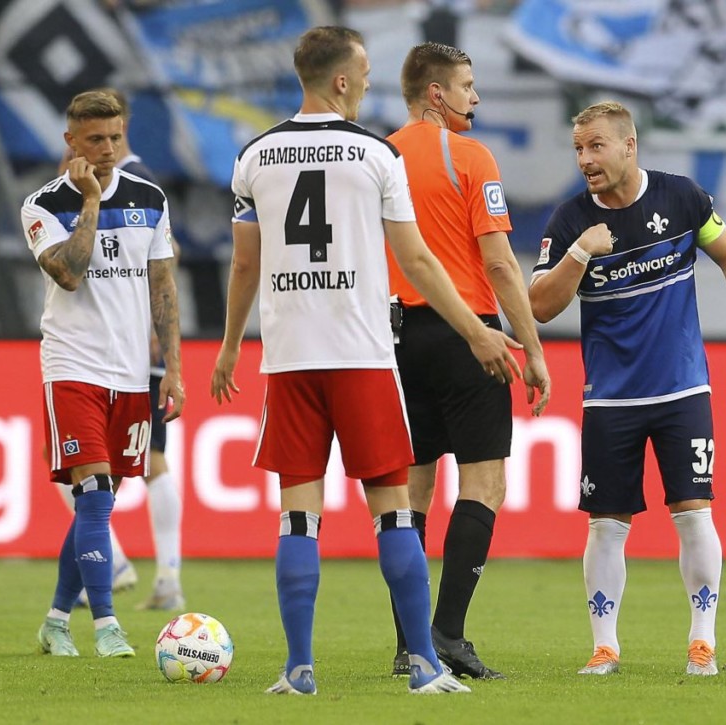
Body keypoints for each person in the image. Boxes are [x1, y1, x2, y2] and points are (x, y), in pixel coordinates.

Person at [210, 25, 522, 696]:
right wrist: (475, 330)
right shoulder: (376, 156)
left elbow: (244, 261)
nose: (374, 83)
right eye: (366, 73)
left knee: (298, 512)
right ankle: (424, 666)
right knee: (392, 509)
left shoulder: (255, 155)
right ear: (343, 80)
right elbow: (416, 259)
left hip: (290, 356)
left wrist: (232, 345)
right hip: (361, 353)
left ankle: (298, 670)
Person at [528, 101, 726, 677]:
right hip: (610, 397)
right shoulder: (569, 221)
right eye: (578, 149)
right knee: (607, 524)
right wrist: (582, 251)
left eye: (596, 147)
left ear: (629, 146)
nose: (585, 159)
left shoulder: (682, 197)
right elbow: (539, 305)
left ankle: (703, 641)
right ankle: (605, 646)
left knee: (693, 513)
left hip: (682, 390)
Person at [384, 42, 551, 680]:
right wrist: (530, 347)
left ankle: (408, 644)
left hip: (396, 338)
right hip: (469, 338)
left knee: (411, 490)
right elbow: (501, 263)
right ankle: (448, 635)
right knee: (484, 484)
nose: (475, 98)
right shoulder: (472, 157)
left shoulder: (382, 156)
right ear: (437, 94)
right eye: (468, 86)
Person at [22, 90, 185, 658]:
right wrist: (90, 201)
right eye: (95, 139)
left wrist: (173, 370)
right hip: (71, 366)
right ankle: (108, 626)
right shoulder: (41, 205)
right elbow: (69, 273)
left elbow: (163, 286)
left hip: (130, 374)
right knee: (93, 496)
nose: (109, 148)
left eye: (116, 136)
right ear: (71, 142)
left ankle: (56, 619)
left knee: (101, 500)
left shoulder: (151, 198)